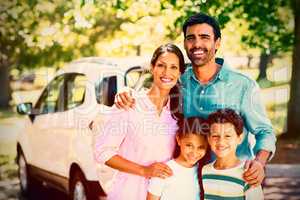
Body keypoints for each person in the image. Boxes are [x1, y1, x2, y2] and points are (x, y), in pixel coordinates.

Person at [115, 12, 276, 186]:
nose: (197, 43)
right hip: (186, 182)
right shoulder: (177, 80)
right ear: (185, 43)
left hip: (235, 180)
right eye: (191, 38)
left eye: (204, 37)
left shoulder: (242, 85)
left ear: (217, 43)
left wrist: (259, 163)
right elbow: (152, 95)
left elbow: (264, 131)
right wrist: (126, 92)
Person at [93, 43, 186, 200]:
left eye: (173, 67)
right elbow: (102, 151)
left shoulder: (178, 113)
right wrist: (144, 170)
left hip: (163, 194)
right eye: (161, 65)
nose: (166, 72)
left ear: (180, 72)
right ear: (152, 68)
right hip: (128, 192)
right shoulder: (129, 103)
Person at [203, 108, 264, 199]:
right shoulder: (204, 171)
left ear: (239, 138)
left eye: (228, 136)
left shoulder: (248, 174)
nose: (221, 142)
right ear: (208, 139)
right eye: (215, 136)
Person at [147, 117, 210, 200]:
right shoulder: (164, 170)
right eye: (189, 145)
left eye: (201, 147)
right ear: (178, 139)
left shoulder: (203, 171)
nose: (194, 153)